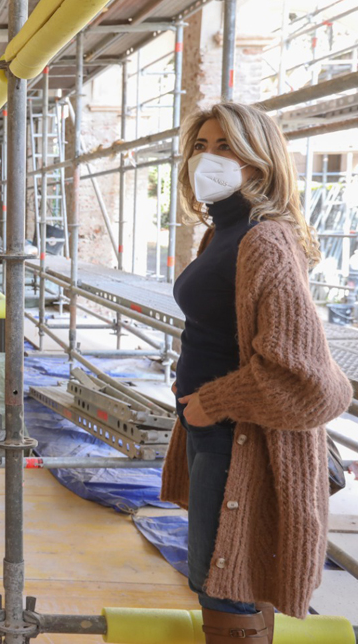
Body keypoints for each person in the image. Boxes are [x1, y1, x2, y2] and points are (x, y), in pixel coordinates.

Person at [162, 102, 352, 642]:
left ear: (260, 160)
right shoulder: (223, 231)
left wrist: (212, 400)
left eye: (226, 147)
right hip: (212, 431)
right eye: (201, 146)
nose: (209, 158)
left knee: (225, 585)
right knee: (231, 580)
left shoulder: (262, 239)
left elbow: (307, 380)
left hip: (235, 437)